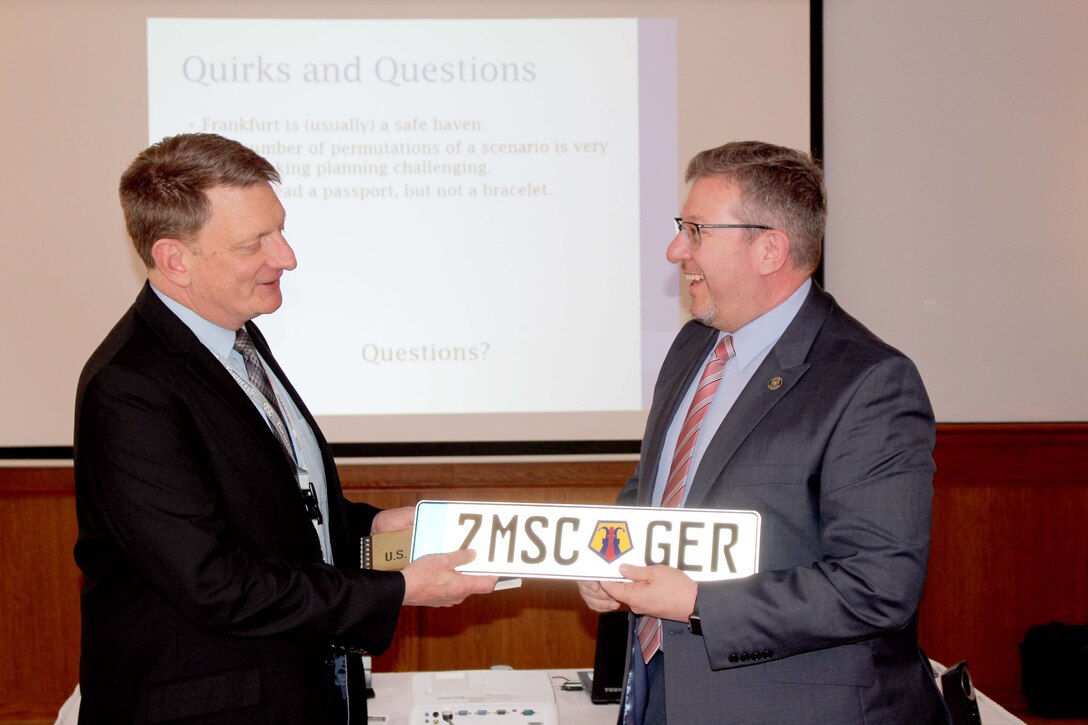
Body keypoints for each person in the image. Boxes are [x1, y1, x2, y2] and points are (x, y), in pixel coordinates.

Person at [73, 133, 496, 724]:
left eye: (281, 230)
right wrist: (401, 591)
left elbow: (269, 511)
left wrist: (373, 528)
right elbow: (214, 582)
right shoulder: (130, 389)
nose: (287, 256)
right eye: (255, 243)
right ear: (175, 260)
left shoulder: (233, 335)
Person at [578, 141, 948, 724]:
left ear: (770, 249)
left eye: (696, 231)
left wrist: (699, 603)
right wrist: (609, 561)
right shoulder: (693, 345)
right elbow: (655, 483)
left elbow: (878, 585)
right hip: (663, 689)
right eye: (682, 227)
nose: (676, 250)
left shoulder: (870, 381)